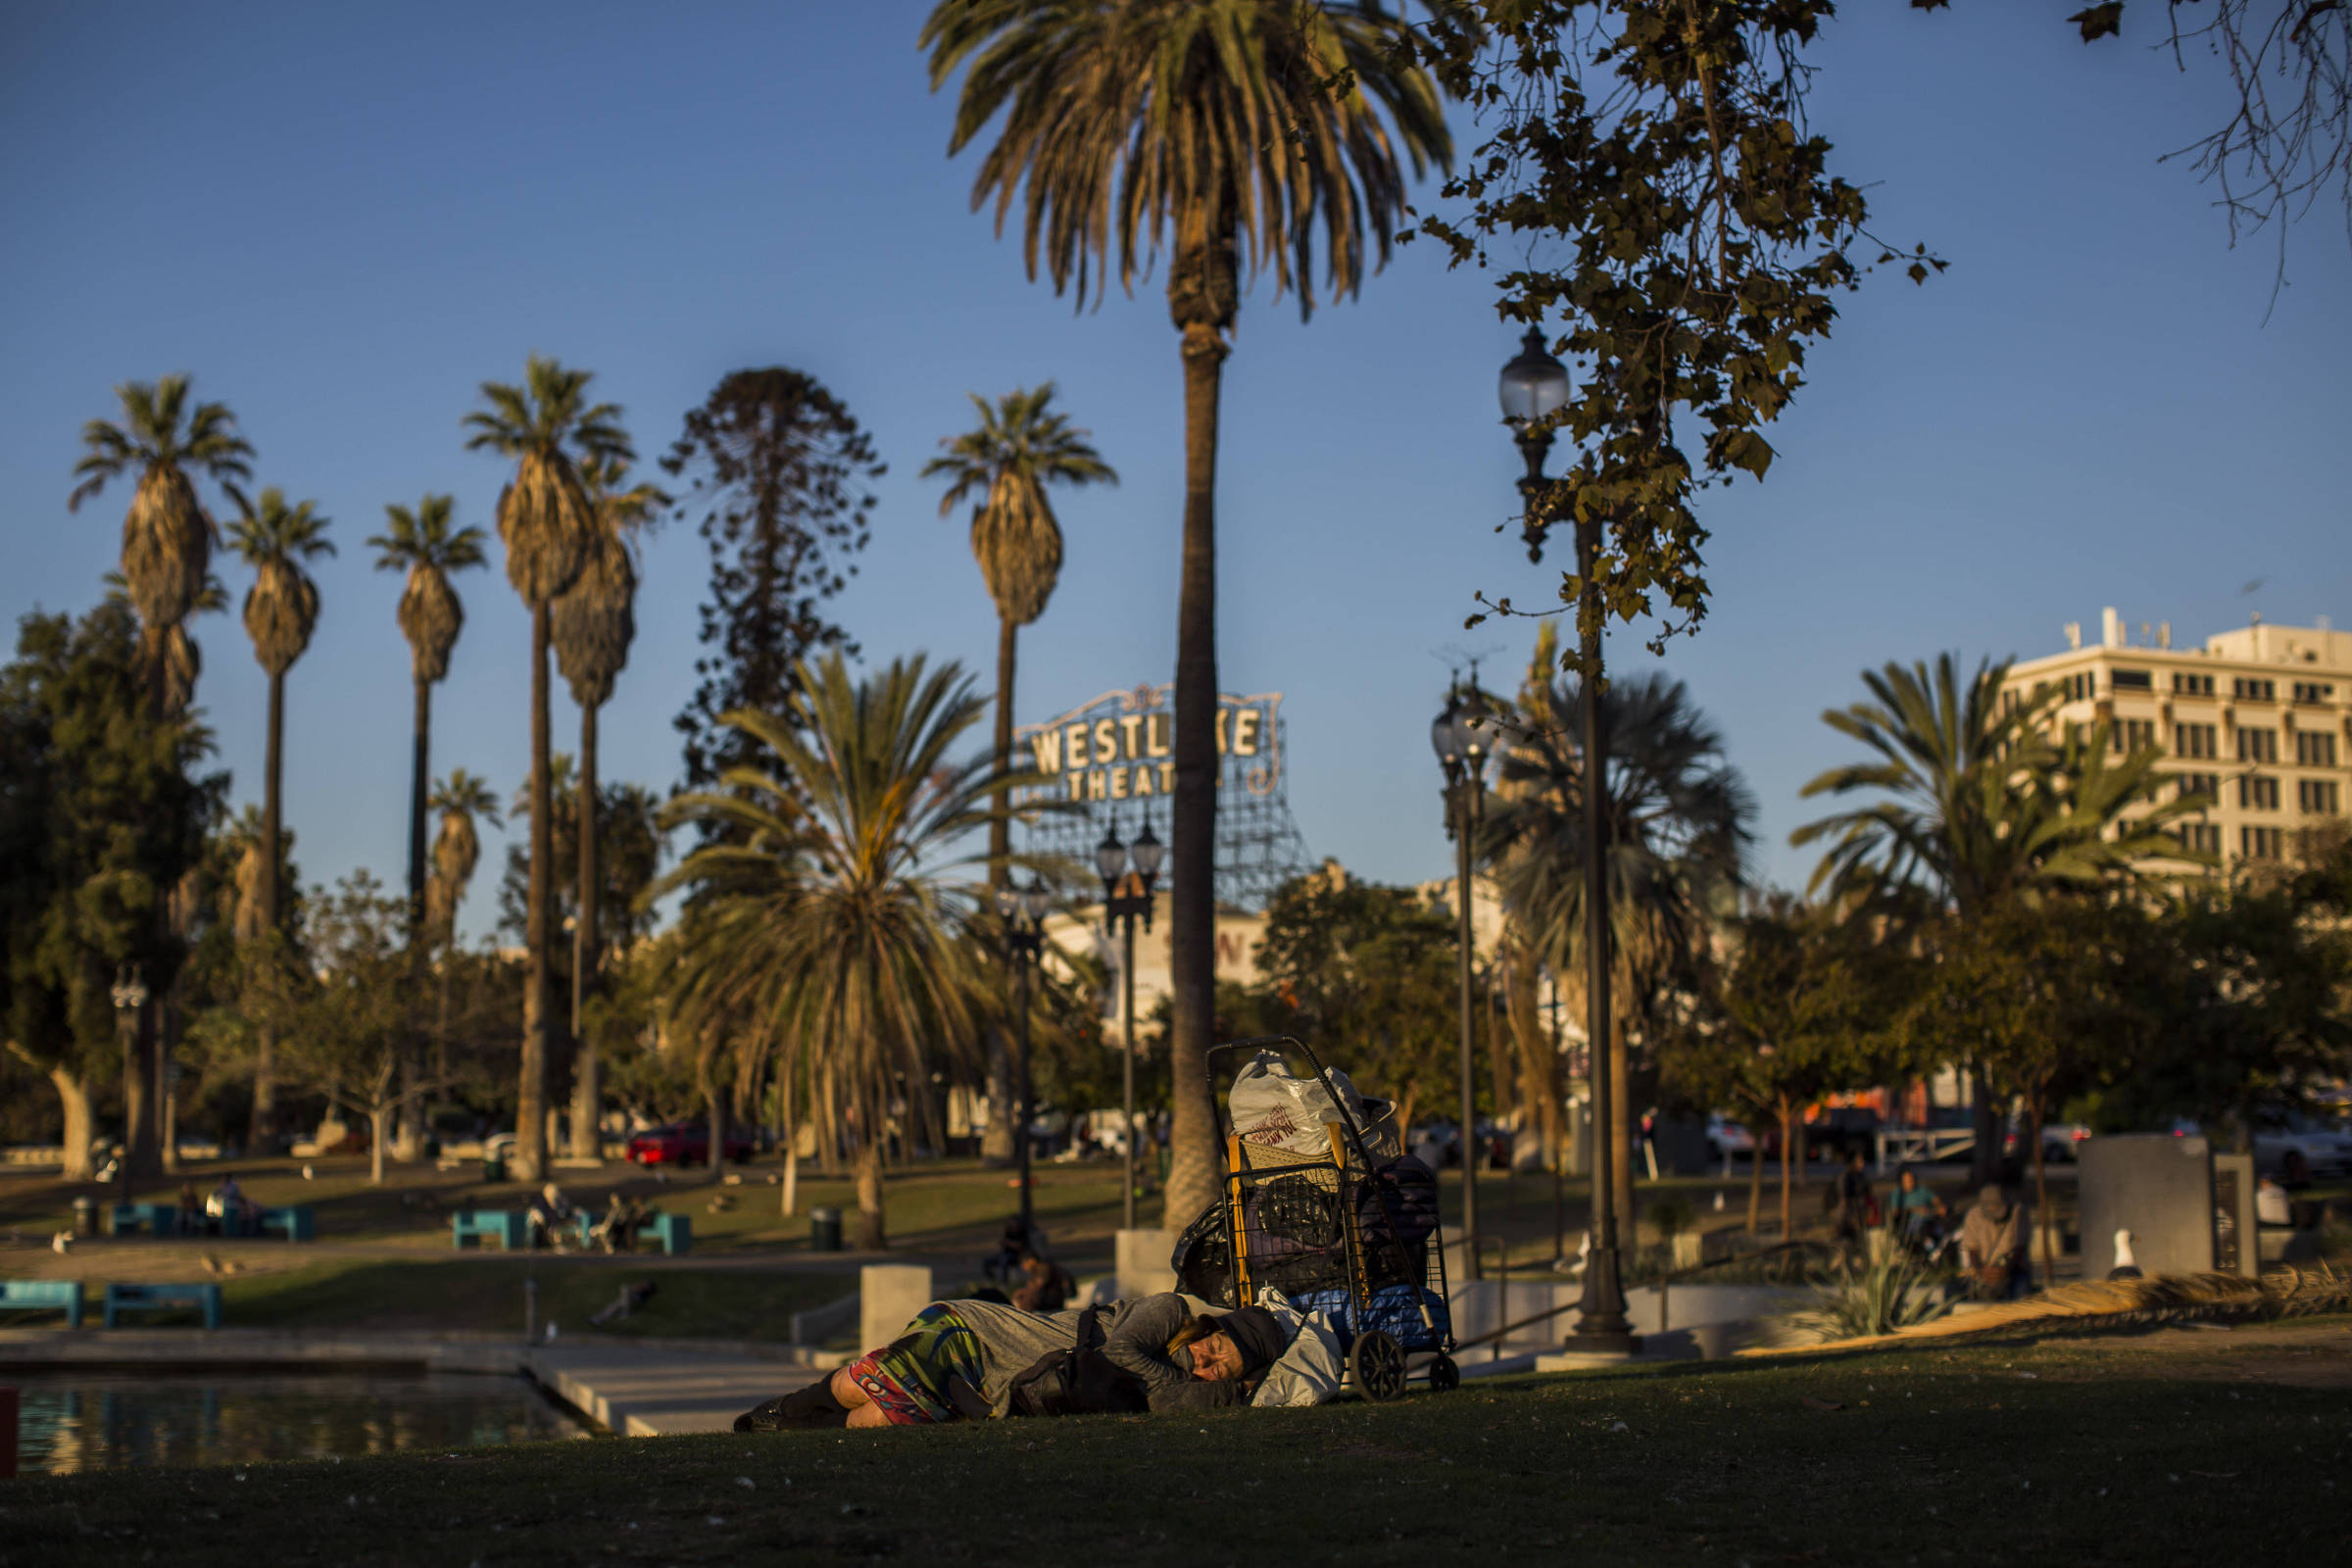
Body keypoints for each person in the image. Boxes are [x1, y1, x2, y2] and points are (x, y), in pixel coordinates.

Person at [734, 1293, 1292, 1431]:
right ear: (1210, 1325)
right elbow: (1119, 1351)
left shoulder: (1173, 1387)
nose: (1206, 1361)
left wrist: (1230, 1393)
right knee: (876, 1381)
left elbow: (1187, 1400)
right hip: (975, 1332)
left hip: (992, 1388)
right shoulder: (1168, 1311)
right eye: (1215, 1346)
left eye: (1221, 1368)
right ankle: (781, 1412)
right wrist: (1189, 1382)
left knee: (889, 1416)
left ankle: (792, 1431)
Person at [1959, 1184, 2030, 1298]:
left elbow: (2020, 1247)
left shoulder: (2018, 1212)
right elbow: (1972, 1248)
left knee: (2021, 1295)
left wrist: (2005, 1269)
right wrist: (1980, 1270)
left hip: (2014, 1269)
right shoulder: (1973, 1215)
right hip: (1983, 1270)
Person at [1886, 1167, 1946, 1255]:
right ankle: (1930, 1253)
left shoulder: (1922, 1190)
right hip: (1912, 1224)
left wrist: (1940, 1207)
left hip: (1929, 1220)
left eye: (1911, 1179)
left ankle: (1938, 1251)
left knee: (1938, 1231)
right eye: (1907, 1180)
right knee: (1923, 1233)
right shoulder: (1898, 1194)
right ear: (1901, 1182)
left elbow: (1936, 1200)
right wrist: (1915, 1209)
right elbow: (1895, 1212)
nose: (1910, 1181)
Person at [1831, 1151, 1875, 1258]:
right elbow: (1843, 1199)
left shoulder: (1862, 1176)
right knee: (1845, 1239)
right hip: (1849, 1213)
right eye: (1859, 1161)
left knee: (1860, 1240)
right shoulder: (1846, 1177)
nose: (1862, 1164)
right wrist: (1849, 1216)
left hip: (1860, 1211)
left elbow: (1868, 1195)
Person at [527, 1183, 576, 1250]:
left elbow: (567, 1210)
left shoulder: (559, 1201)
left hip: (555, 1224)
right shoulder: (542, 1202)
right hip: (545, 1225)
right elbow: (547, 1215)